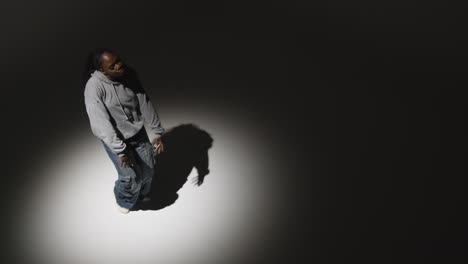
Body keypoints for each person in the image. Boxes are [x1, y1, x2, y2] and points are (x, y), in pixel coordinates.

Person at [83, 48, 165, 214]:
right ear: (101, 69)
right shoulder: (94, 88)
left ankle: (142, 195)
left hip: (137, 131)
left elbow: (144, 102)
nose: (119, 66)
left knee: (148, 170)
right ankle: (124, 200)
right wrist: (120, 151)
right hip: (115, 139)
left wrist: (157, 133)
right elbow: (101, 123)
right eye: (113, 66)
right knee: (130, 177)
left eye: (119, 60)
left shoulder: (129, 74)